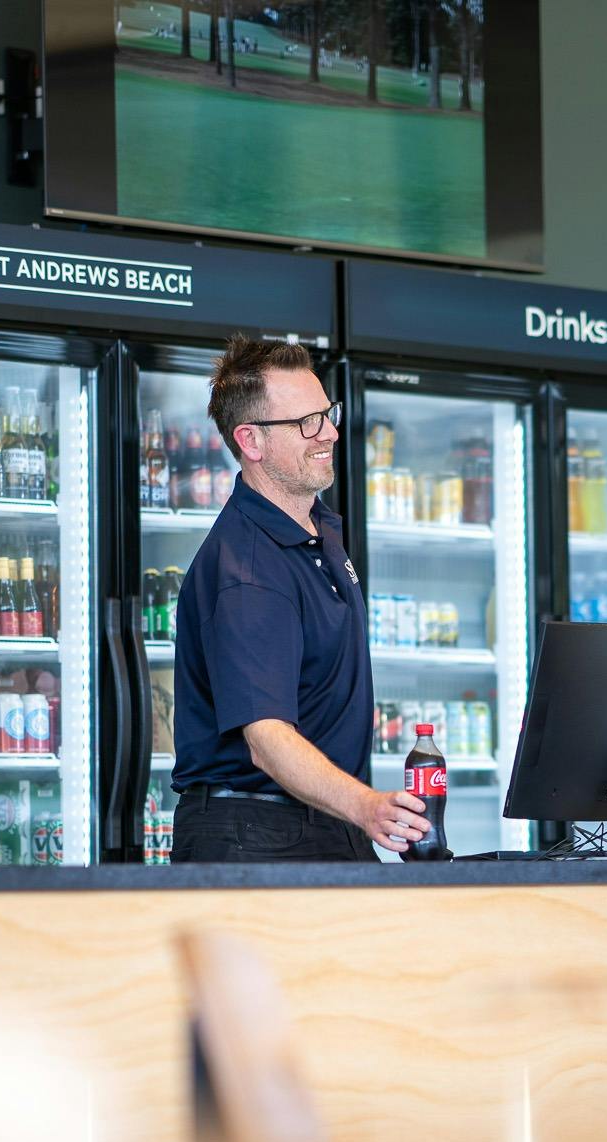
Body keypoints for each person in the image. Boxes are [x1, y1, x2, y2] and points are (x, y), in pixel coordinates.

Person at [170, 336, 430, 863]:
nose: (329, 432)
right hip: (258, 837)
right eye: (307, 422)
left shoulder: (317, 530)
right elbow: (267, 739)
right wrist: (366, 806)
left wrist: (358, 812)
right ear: (251, 440)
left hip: (324, 821)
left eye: (327, 414)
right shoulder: (247, 570)